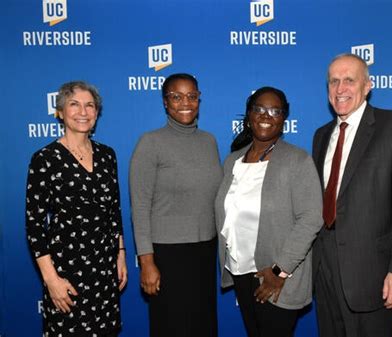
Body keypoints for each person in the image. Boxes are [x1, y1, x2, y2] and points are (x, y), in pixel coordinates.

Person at [312, 53, 392, 337]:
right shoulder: (321, 135)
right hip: (324, 271)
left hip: (373, 274)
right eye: (334, 82)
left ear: (367, 86)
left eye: (349, 80)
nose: (340, 89)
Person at [215, 87, 323, 337]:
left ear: (284, 119)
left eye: (275, 111)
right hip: (242, 272)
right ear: (248, 115)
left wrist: (279, 270)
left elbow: (311, 219)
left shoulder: (297, 160)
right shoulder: (233, 160)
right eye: (259, 109)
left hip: (276, 276)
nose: (266, 115)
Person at [26, 81, 127, 337]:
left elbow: (113, 211)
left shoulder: (107, 155)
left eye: (89, 105)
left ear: (96, 113)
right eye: (74, 104)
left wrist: (121, 254)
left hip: (104, 271)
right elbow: (35, 225)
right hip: (66, 272)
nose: (83, 111)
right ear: (60, 111)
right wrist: (51, 280)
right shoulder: (45, 159)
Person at [129, 73, 222, 337]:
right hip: (167, 256)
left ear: (199, 100)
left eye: (192, 96)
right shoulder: (150, 143)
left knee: (203, 325)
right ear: (165, 102)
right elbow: (140, 207)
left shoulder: (209, 141)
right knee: (172, 326)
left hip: (204, 251)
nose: (186, 103)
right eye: (177, 96)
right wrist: (147, 262)